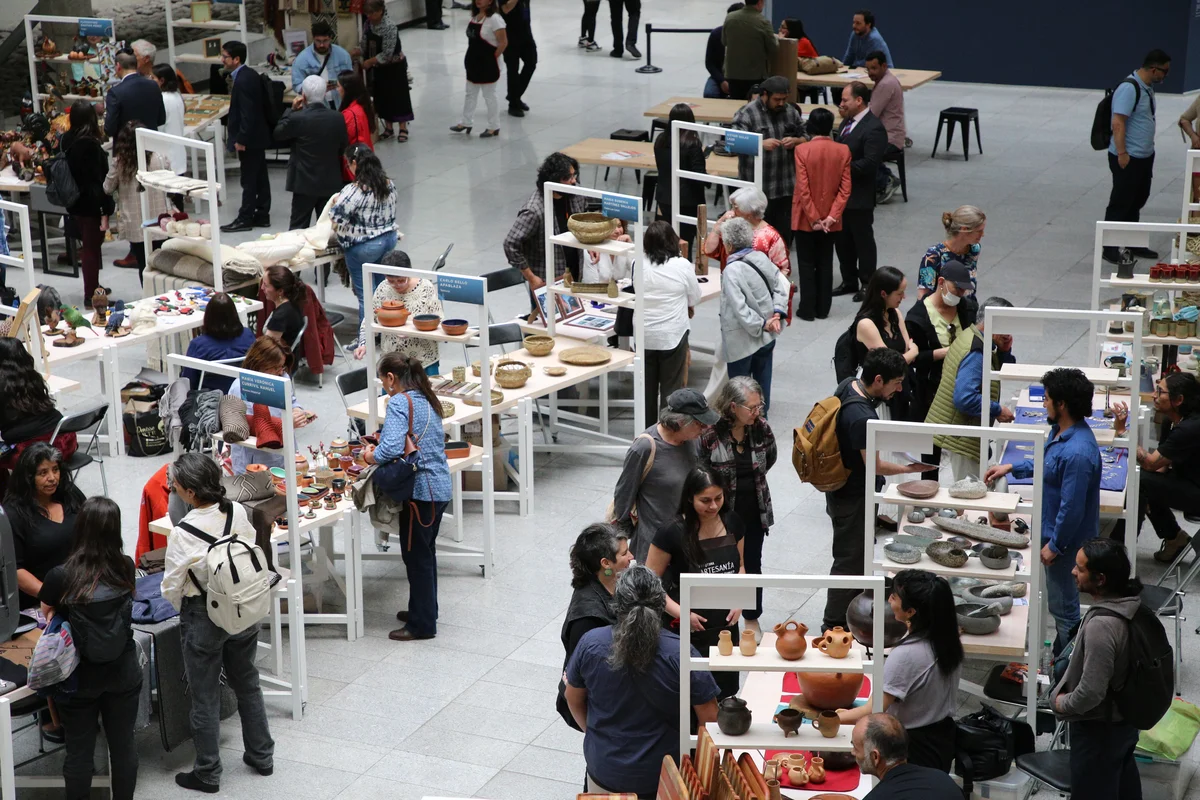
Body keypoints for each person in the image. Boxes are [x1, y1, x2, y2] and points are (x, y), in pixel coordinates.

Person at [163, 453, 274, 793]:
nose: (174, 488)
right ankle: (262, 755)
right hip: (244, 608)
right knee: (248, 681)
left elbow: (171, 587)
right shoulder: (237, 512)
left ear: (191, 493)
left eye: (176, 485)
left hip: (204, 617)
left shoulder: (182, 532)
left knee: (205, 696)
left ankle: (208, 771)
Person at [564, 565, 720, 795]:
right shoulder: (680, 653)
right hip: (663, 776)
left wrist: (596, 733)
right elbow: (710, 717)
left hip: (604, 770)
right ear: (660, 605)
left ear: (617, 603)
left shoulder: (591, 644)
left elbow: (573, 698)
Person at [985, 368, 1101, 657]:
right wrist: (1013, 468)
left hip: (1066, 546)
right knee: (1059, 607)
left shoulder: (1077, 452)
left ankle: (1070, 669)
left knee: (1064, 611)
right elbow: (1048, 465)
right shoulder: (1061, 433)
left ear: (1061, 404)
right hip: (1056, 539)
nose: (1044, 404)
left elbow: (1071, 508)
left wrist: (1055, 546)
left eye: (1047, 399)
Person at [39, 496, 141, 800]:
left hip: (78, 678)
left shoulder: (61, 575)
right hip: (123, 672)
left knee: (79, 753)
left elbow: (47, 611)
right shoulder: (125, 566)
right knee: (123, 747)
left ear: (80, 528)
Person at [823, 348, 927, 631]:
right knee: (849, 560)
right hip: (853, 497)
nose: (900, 388)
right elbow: (875, 465)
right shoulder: (861, 417)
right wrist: (908, 470)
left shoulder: (849, 385)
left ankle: (851, 613)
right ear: (879, 380)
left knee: (855, 554)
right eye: (896, 383)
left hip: (843, 493)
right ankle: (833, 625)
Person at [363, 353, 451, 641]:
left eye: (382, 380)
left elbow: (388, 449)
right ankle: (425, 610)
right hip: (439, 489)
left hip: (420, 493)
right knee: (426, 554)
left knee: (416, 558)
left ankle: (422, 625)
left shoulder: (401, 401)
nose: (383, 386)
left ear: (391, 377)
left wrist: (369, 455)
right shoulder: (428, 399)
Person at [837, 570, 962, 771]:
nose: (889, 599)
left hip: (912, 747)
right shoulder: (948, 640)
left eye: (894, 597)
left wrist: (830, 719)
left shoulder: (907, 655)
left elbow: (875, 709)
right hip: (942, 738)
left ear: (911, 611)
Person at [1051, 539, 1145, 800]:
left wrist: (1061, 704)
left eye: (1080, 569)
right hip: (1124, 723)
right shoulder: (1132, 604)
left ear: (1100, 578)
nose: (1073, 571)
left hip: (1099, 732)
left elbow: (1090, 693)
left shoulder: (1102, 626)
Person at [647, 466, 745, 698]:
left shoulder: (733, 521)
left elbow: (740, 566)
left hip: (725, 627)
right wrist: (682, 614)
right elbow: (649, 583)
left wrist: (739, 600)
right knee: (690, 692)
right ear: (690, 498)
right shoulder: (671, 532)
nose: (713, 506)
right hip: (686, 628)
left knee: (725, 690)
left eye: (718, 498)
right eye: (705, 500)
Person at [698, 377, 776, 638]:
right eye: (751, 408)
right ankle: (720, 617)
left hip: (754, 511)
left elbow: (770, 457)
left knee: (752, 563)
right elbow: (700, 474)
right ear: (733, 407)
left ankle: (752, 618)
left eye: (759, 406)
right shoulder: (710, 434)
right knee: (720, 564)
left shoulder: (761, 428)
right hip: (719, 514)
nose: (757, 412)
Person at [613, 388, 718, 562]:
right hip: (655, 546)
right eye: (700, 423)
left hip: (690, 538)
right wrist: (622, 541)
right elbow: (623, 494)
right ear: (680, 422)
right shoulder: (645, 447)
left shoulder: (693, 440)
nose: (705, 428)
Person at [925, 295, 1015, 482]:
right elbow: (964, 398)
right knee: (969, 495)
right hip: (962, 437)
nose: (1010, 332)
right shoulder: (976, 351)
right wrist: (997, 410)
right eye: (1007, 325)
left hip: (958, 431)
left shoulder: (971, 335)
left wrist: (1005, 350)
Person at [1111, 373, 1200, 562]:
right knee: (1145, 483)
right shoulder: (1172, 420)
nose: (1153, 395)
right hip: (1187, 480)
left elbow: (1151, 462)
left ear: (1179, 400)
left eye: (1160, 391)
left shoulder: (1189, 428)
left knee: (1140, 482)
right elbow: (1159, 467)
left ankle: (1114, 553)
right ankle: (1174, 537)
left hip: (1197, 490)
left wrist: (1122, 432)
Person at [559, 524, 633, 728]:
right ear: (606, 563)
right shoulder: (587, 619)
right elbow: (580, 682)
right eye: (624, 554)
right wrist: (593, 733)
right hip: (598, 707)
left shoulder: (612, 584)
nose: (631, 557)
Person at [1104, 49, 1170, 267]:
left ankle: (1131, 241)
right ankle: (1110, 247)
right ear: (1154, 69)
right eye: (1164, 72)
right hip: (1128, 157)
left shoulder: (1147, 88)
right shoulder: (1129, 88)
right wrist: (1122, 153)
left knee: (1138, 198)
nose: (1165, 76)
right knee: (1121, 201)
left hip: (1144, 156)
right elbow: (1118, 122)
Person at [3, 442, 86, 609]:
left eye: (55, 470)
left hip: (82, 588)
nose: (52, 478)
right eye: (43, 473)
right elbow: (15, 571)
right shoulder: (13, 515)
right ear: (28, 478)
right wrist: (52, 597)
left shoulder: (69, 494)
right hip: (40, 602)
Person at [331, 144, 399, 337]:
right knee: (381, 289)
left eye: (347, 164)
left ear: (354, 163)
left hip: (364, 247)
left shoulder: (354, 191)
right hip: (388, 240)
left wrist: (336, 203)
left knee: (366, 295)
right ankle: (385, 330)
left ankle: (366, 338)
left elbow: (336, 218)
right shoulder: (388, 184)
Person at [720, 218, 788, 410]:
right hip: (767, 337)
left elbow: (739, 308)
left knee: (740, 395)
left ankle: (743, 431)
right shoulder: (761, 258)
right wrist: (776, 314)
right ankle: (761, 424)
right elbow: (781, 286)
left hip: (742, 341)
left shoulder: (731, 270)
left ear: (729, 245)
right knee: (762, 389)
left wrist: (760, 324)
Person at [729, 77, 806, 247]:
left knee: (782, 240)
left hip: (784, 188)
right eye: (777, 99)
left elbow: (807, 135)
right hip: (756, 191)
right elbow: (732, 143)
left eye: (784, 99)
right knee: (756, 240)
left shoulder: (790, 111)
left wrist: (796, 141)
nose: (781, 103)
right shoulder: (747, 113)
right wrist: (760, 144)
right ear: (764, 95)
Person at [792, 106, 851, 320]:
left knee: (806, 263)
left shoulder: (802, 150)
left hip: (805, 219)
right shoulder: (843, 151)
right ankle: (823, 308)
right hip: (831, 221)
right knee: (826, 262)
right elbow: (845, 190)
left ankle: (807, 309)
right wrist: (831, 217)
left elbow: (803, 188)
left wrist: (814, 218)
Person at [640, 222, 702, 425]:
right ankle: (666, 434)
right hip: (672, 335)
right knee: (671, 390)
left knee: (646, 390)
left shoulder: (638, 263)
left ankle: (646, 434)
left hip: (644, 335)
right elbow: (695, 296)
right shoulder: (682, 265)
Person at [904, 260, 975, 429]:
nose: (960, 293)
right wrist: (946, 352)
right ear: (941, 282)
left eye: (964, 290)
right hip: (931, 391)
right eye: (957, 288)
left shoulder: (968, 308)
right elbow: (914, 359)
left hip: (965, 386)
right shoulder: (917, 317)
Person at [504, 152, 585, 300]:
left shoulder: (575, 194)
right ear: (553, 180)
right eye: (567, 178)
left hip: (575, 275)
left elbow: (583, 221)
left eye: (574, 175)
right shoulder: (534, 210)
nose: (573, 181)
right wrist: (531, 277)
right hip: (546, 282)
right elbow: (511, 244)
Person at [833, 81, 887, 302]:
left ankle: (867, 283)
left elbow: (870, 163)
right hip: (840, 196)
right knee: (842, 239)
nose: (841, 103)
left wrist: (839, 168)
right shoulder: (847, 122)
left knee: (862, 241)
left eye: (845, 100)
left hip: (859, 196)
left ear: (859, 100)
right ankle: (848, 280)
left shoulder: (873, 128)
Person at [274, 75, 349, 230]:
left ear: (304, 95)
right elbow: (343, 147)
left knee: (298, 228)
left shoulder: (297, 118)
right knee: (327, 229)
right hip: (330, 180)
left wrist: (290, 111)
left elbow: (278, 134)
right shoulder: (338, 118)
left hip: (303, 182)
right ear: (324, 94)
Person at [228, 337, 313, 474]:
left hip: (284, 452)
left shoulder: (281, 377)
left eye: (282, 366)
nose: (280, 371)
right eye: (275, 367)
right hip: (255, 462)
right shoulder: (242, 387)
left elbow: (291, 401)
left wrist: (297, 411)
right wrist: (287, 423)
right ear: (260, 363)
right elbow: (251, 425)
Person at [0, 338, 78, 486]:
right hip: (65, 441)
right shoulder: (34, 377)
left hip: (34, 452)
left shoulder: (2, 386)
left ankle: (7, 501)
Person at [353, 250, 444, 373]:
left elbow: (439, 322)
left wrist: (412, 330)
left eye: (401, 280)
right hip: (392, 361)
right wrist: (363, 344)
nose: (397, 285)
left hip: (423, 361)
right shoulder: (383, 288)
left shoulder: (426, 288)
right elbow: (369, 320)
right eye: (391, 281)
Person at [103, 121, 170, 284]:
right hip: (159, 220)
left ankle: (148, 297)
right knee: (162, 265)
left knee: (143, 265)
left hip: (136, 223)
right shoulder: (159, 158)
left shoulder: (120, 163)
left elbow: (107, 188)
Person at [60, 100, 113, 303]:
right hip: (91, 203)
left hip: (74, 200)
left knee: (89, 245)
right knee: (91, 248)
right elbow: (97, 178)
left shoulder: (67, 139)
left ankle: (94, 286)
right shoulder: (89, 143)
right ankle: (91, 293)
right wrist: (104, 207)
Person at [220, 41, 273, 233]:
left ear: (236, 59)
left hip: (250, 139)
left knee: (249, 179)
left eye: (225, 56)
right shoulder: (248, 75)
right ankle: (262, 214)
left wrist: (241, 139)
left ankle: (245, 217)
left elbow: (248, 114)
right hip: (257, 136)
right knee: (259, 176)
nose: (222, 60)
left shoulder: (243, 80)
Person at [851, 266, 918, 419]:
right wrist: (913, 351)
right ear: (883, 294)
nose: (904, 297)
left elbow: (905, 352)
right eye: (899, 293)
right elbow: (890, 365)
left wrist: (909, 354)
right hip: (878, 391)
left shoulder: (895, 314)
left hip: (899, 385)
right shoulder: (866, 324)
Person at [853, 714, 964, 800]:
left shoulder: (878, 797)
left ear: (875, 757)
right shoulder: (943, 779)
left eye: (856, 748)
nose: (853, 752)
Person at [653, 103, 708, 253]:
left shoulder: (660, 140)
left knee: (666, 243)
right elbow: (698, 176)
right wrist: (709, 179)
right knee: (685, 245)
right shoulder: (692, 144)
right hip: (687, 202)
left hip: (664, 198)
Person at [450, 0, 508, 139]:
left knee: (489, 95)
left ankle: (494, 126)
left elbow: (503, 42)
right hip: (473, 62)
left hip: (488, 64)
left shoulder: (495, 19)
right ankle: (466, 122)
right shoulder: (475, 18)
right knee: (470, 93)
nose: (478, 1)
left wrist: (492, 58)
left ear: (490, 1)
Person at [359, 0, 415, 142]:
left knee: (398, 96)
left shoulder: (389, 27)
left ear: (380, 11)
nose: (369, 16)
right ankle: (388, 128)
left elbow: (387, 53)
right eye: (367, 13)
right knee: (382, 96)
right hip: (379, 68)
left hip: (394, 67)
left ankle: (403, 128)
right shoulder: (368, 24)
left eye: (372, 13)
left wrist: (369, 62)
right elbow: (364, 44)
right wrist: (357, 52)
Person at [180, 293, 257, 393]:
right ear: (234, 314)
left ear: (208, 316)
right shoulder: (248, 336)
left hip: (210, 401)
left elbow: (188, 382)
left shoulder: (198, 345)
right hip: (243, 395)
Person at [705, 186, 792, 273]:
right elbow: (709, 250)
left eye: (735, 207)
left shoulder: (771, 237)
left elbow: (784, 270)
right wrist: (719, 223)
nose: (731, 211)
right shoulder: (731, 228)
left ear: (749, 212)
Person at [917, 205, 986, 298]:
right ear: (964, 229)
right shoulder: (934, 255)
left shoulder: (975, 249)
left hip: (968, 308)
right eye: (979, 231)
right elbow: (923, 294)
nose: (983, 235)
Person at [865, 50, 904, 203]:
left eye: (874, 68)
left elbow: (871, 114)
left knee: (857, 148)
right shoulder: (886, 80)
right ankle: (887, 175)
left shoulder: (885, 84)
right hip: (889, 134)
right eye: (868, 69)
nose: (870, 73)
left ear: (884, 66)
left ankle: (884, 181)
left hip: (890, 138)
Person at [103, 51, 165, 146]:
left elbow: (110, 129)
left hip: (126, 150)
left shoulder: (115, 93)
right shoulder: (153, 85)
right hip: (151, 145)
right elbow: (161, 119)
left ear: (118, 66)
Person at [721, 0, 778, 102]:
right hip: (754, 74)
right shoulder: (763, 22)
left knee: (735, 104)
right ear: (760, 2)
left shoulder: (730, 17)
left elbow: (724, 41)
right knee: (755, 105)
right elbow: (773, 48)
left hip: (733, 73)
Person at [289, 21, 352, 106]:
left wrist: (334, 84)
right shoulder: (302, 59)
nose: (322, 45)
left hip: (339, 103)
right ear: (313, 38)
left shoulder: (343, 55)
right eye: (318, 41)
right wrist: (319, 88)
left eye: (325, 41)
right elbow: (297, 85)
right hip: (315, 106)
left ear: (330, 38)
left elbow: (351, 80)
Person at [152, 63, 188, 190]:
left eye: (153, 78)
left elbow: (158, 126)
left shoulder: (162, 99)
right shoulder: (177, 95)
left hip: (167, 156)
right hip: (178, 153)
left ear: (161, 80)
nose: (150, 81)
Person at [338, 70, 377, 181]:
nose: (337, 90)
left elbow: (347, 140)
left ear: (346, 89)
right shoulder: (362, 106)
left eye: (338, 86)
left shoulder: (350, 114)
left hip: (354, 167)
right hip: (364, 160)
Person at [500, 0, 536, 117]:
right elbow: (505, 9)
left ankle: (514, 96)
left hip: (526, 32)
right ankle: (513, 104)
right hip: (510, 35)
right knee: (513, 69)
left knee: (531, 63)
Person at [704, 4, 747, 98]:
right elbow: (709, 63)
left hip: (744, 78)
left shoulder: (749, 35)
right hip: (720, 75)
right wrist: (721, 80)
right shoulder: (716, 34)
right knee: (710, 93)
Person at [259, 265, 307, 347]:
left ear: (280, 291)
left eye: (266, 285)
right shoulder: (293, 303)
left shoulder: (280, 317)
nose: (262, 288)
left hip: (280, 358)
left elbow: (266, 352)